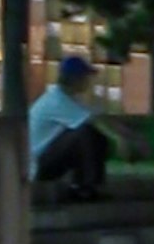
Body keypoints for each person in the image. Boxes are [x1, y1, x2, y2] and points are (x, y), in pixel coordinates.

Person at [28, 52, 112, 202]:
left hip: (47, 157)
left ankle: (91, 185)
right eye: (86, 78)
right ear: (75, 79)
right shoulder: (57, 100)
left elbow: (99, 118)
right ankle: (83, 187)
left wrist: (128, 136)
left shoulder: (70, 99)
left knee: (96, 135)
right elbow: (91, 121)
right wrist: (120, 139)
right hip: (38, 164)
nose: (88, 82)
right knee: (85, 133)